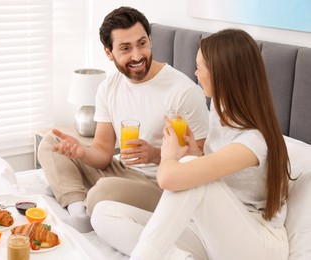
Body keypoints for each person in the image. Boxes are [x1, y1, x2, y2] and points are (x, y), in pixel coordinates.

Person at [91, 28, 292, 260]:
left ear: (221, 74)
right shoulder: (219, 109)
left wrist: (169, 156)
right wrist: (195, 152)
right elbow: (217, 174)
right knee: (103, 213)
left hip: (256, 244)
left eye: (200, 68)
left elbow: (170, 179)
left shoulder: (254, 140)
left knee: (190, 174)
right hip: (212, 231)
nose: (195, 74)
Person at [38, 6, 209, 233]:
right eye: (125, 48)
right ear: (109, 52)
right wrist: (82, 152)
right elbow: (102, 152)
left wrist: (157, 155)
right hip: (120, 170)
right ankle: (78, 210)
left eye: (142, 43)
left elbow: (202, 161)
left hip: (158, 184)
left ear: (150, 40)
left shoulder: (183, 91)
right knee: (50, 143)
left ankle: (72, 191)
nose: (137, 56)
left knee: (103, 191)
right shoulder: (108, 87)